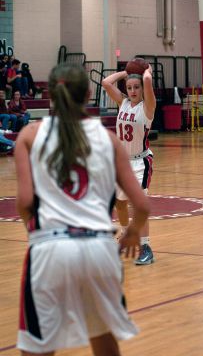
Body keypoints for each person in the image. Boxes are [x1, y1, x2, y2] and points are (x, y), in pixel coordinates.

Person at [15, 63, 150, 356]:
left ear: (49, 93)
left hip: (49, 247)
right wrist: (132, 233)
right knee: (103, 342)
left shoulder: (29, 135)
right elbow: (142, 205)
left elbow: (25, 204)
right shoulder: (109, 139)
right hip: (99, 248)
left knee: (38, 348)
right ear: (89, 94)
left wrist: (39, 234)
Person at [102, 64, 156, 265]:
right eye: (130, 87)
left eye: (136, 87)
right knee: (120, 202)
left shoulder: (148, 107)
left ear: (143, 89)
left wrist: (146, 70)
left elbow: (148, 80)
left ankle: (145, 246)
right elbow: (106, 82)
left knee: (138, 206)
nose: (133, 91)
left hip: (141, 162)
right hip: (122, 162)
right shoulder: (123, 102)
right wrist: (127, 72)